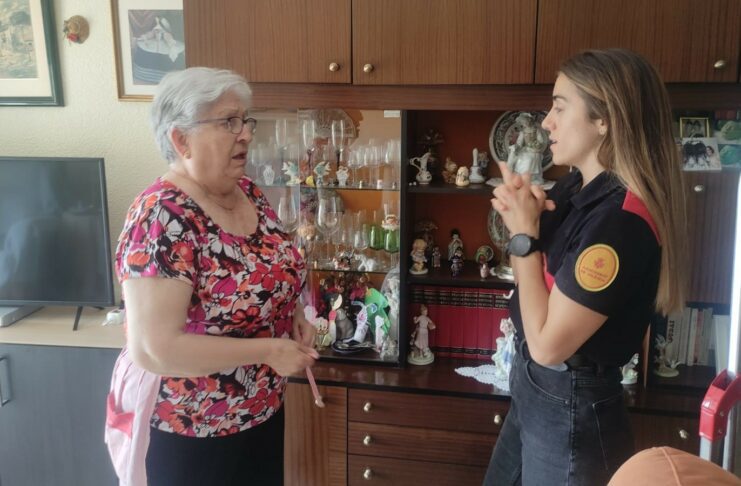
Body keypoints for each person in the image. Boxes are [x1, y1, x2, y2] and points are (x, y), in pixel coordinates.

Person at [105, 67, 318, 486]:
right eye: (228, 122)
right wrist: (268, 351)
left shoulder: (248, 192)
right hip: (194, 432)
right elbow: (155, 349)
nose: (246, 134)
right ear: (180, 139)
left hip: (260, 414)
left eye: (245, 121)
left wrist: (291, 314)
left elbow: (267, 271)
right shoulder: (161, 217)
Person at [485, 49, 688, 485]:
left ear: (604, 120)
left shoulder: (620, 222)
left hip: (569, 403)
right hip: (536, 387)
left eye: (560, 108)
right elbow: (538, 279)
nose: (546, 123)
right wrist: (524, 219)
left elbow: (548, 346)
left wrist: (523, 236)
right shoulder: (576, 186)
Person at [506, 112, 549, 184]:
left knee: (529, 159)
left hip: (534, 150)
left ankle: (531, 177)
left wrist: (536, 144)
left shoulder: (536, 130)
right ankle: (522, 176)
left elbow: (541, 140)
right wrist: (516, 147)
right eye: (523, 122)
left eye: (526, 122)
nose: (525, 123)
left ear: (529, 121)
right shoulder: (523, 132)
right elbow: (519, 143)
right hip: (526, 149)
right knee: (521, 158)